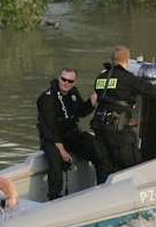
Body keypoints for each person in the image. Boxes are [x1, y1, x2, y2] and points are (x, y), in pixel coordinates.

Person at [91, 46, 156, 181]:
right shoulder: (128, 79)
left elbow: (109, 98)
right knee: (133, 166)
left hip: (99, 128)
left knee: (105, 165)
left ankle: (103, 194)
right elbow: (153, 91)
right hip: (117, 130)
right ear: (127, 61)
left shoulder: (100, 78)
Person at [36, 67, 112, 200]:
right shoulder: (46, 98)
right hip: (52, 138)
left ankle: (102, 188)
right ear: (59, 78)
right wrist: (62, 150)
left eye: (70, 81)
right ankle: (54, 197)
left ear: (74, 82)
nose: (66, 83)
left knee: (98, 150)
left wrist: (94, 97)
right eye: (63, 79)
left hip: (70, 134)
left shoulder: (73, 93)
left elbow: (81, 111)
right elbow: (48, 127)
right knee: (55, 163)